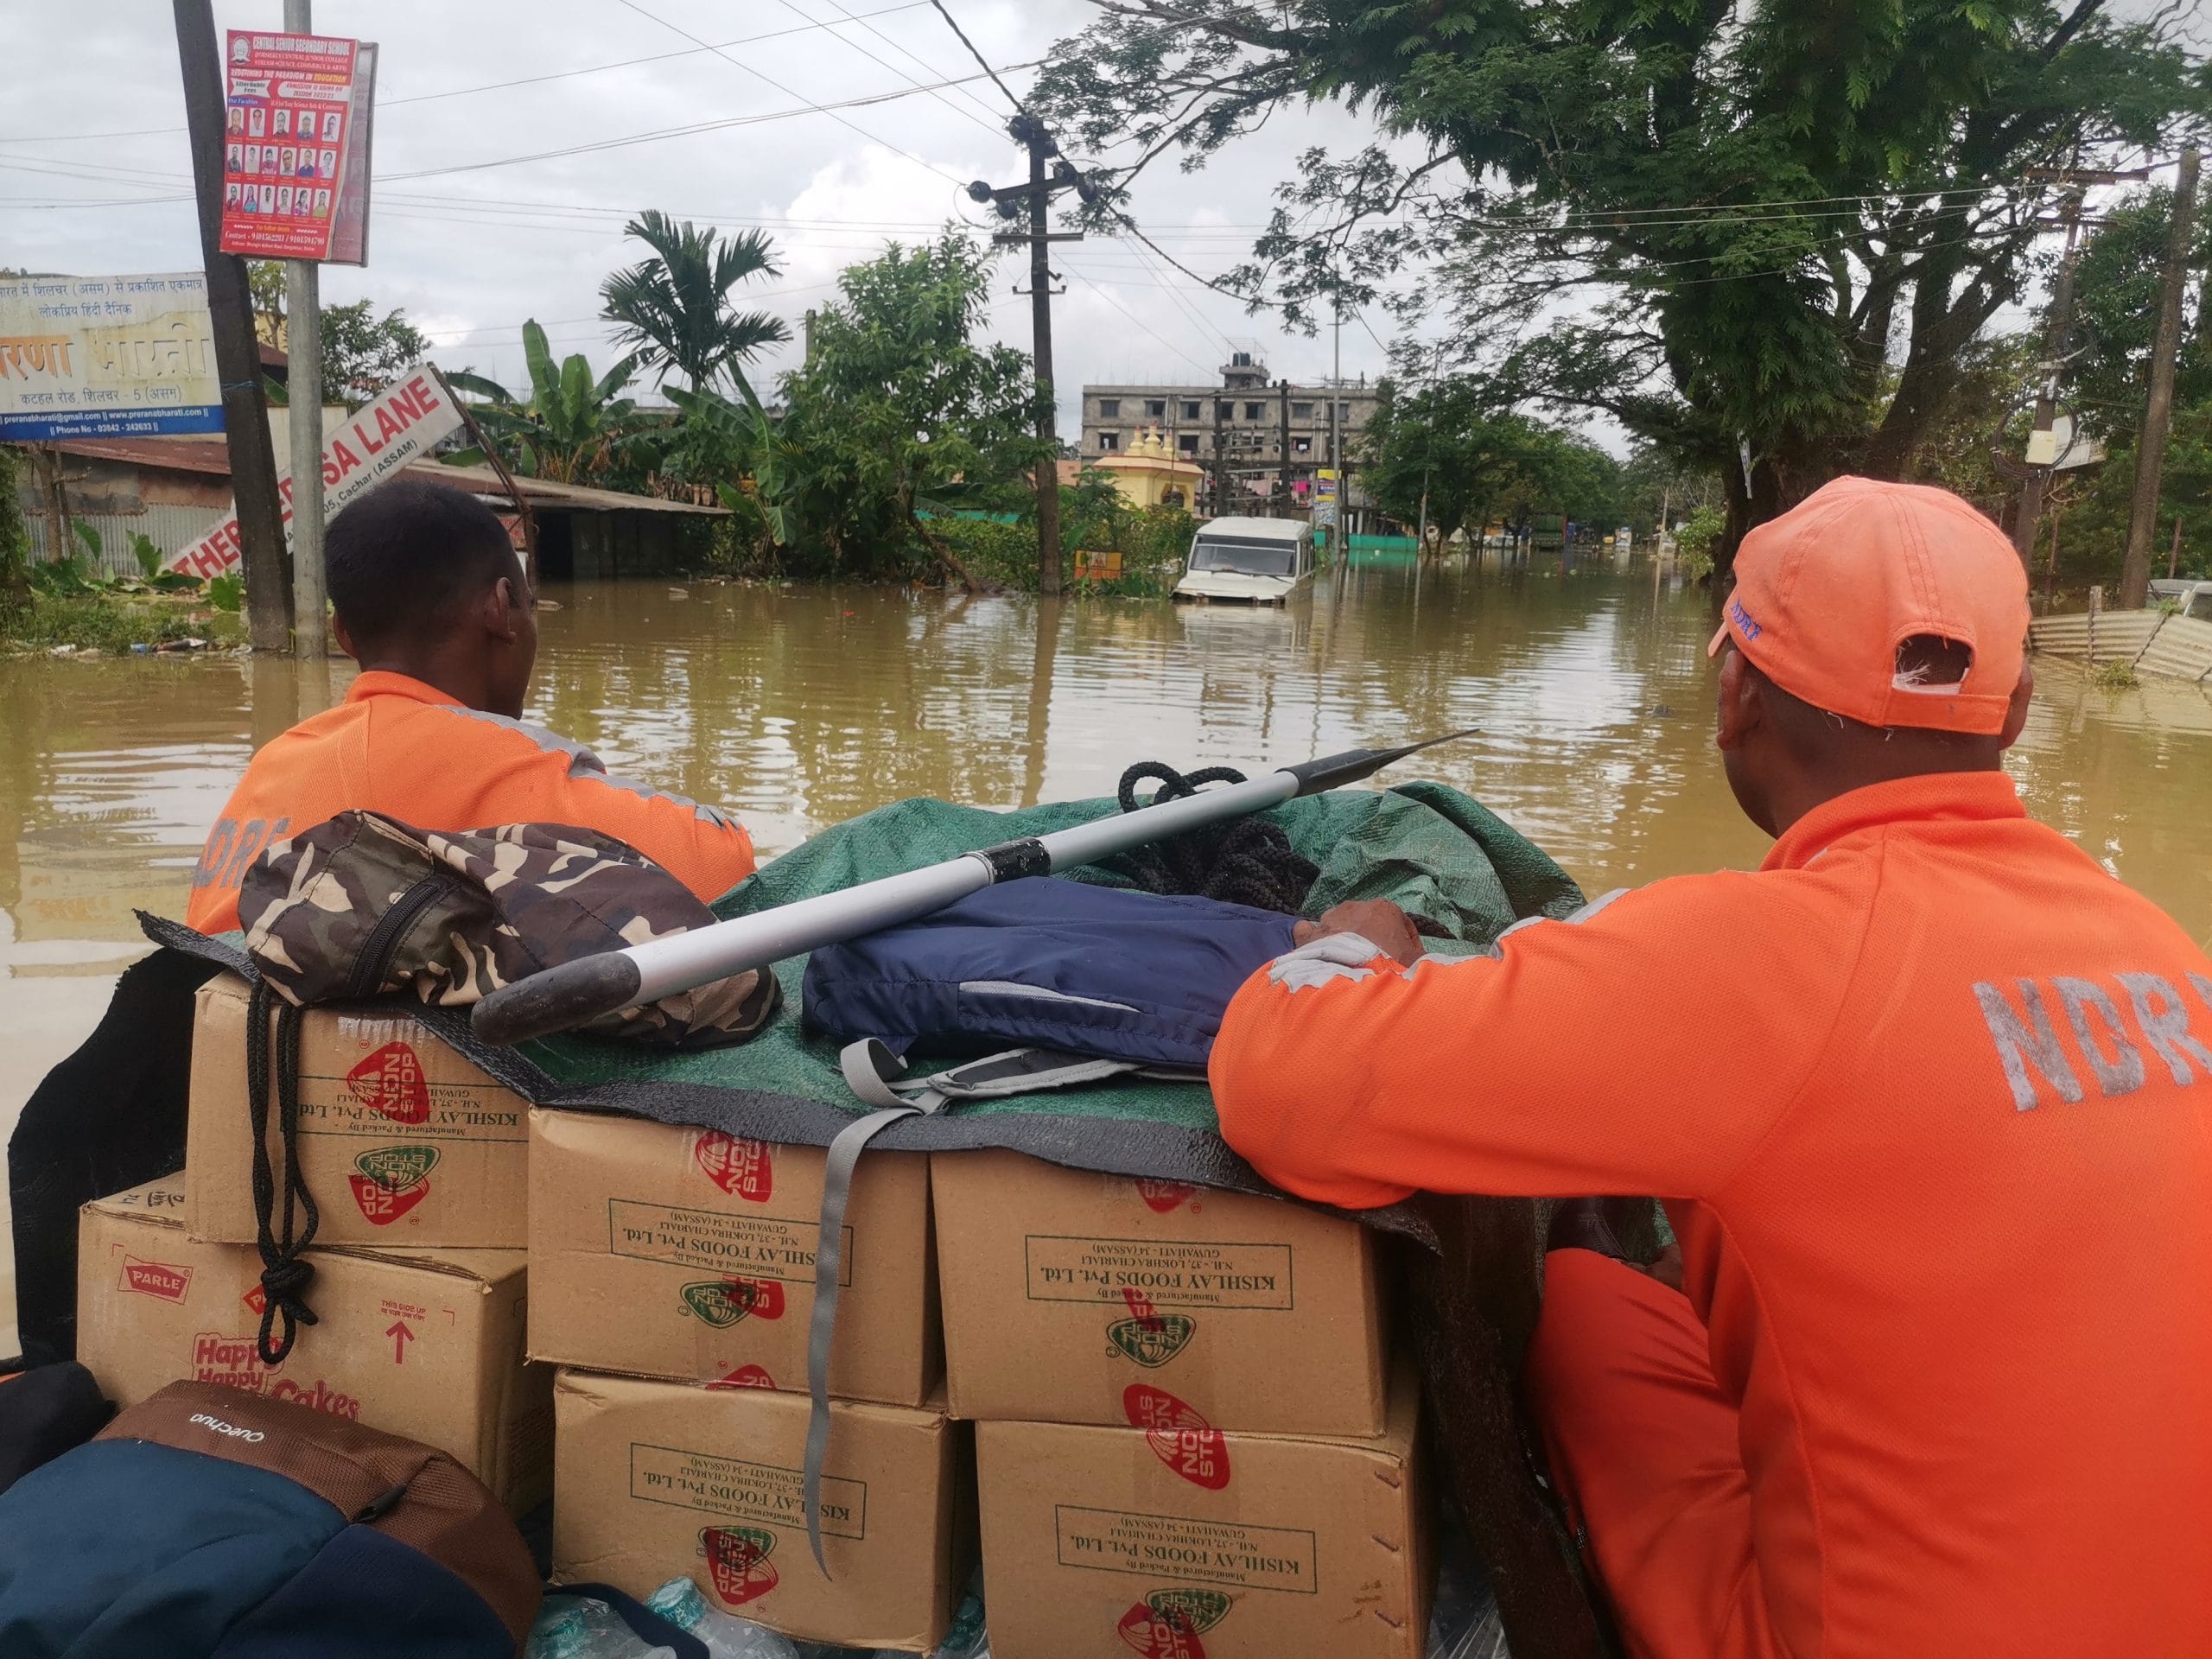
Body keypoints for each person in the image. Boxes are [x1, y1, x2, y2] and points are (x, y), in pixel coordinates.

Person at [1209, 477, 2210, 1659]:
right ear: (2020, 709)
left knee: (1578, 1293)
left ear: (1734, 692)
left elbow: (1281, 1085)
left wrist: (1363, 950)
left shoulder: (1753, 957)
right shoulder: (2154, 942)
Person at [185, 478, 757, 935]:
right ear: (502, 610)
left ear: (345, 636)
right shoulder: (513, 763)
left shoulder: (274, 763)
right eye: (529, 604)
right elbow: (728, 868)